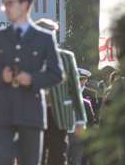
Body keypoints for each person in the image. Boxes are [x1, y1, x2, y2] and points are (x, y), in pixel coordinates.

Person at [0, 0, 63, 165]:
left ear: (25, 5)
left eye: (10, 3)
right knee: (3, 159)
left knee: (30, 161)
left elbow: (57, 74)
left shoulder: (44, 38)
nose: (6, 8)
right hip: (2, 110)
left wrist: (33, 79)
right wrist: (0, 75)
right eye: (4, 4)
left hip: (31, 111)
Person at [35, 19, 86, 165]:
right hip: (36, 114)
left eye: (52, 32)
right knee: (37, 157)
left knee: (58, 156)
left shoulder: (66, 57)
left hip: (60, 114)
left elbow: (75, 91)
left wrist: (80, 121)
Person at [68, 68, 96, 165]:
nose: (80, 83)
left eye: (83, 80)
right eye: (78, 80)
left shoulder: (88, 99)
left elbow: (91, 122)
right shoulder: (64, 96)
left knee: (77, 161)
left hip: (80, 137)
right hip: (65, 134)